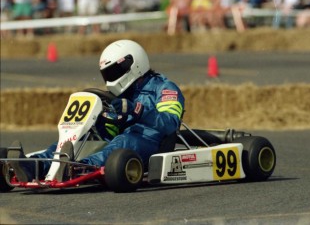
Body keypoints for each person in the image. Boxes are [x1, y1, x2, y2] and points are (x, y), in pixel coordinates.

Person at [8, 40, 185, 182]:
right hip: (122, 139)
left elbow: (170, 123)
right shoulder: (122, 94)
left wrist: (138, 110)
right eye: (107, 74)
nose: (110, 79)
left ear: (133, 64)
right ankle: (33, 165)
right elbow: (112, 129)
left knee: (122, 142)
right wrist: (104, 120)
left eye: (115, 71)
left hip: (150, 140)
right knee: (76, 141)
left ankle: (77, 167)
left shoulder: (164, 88)